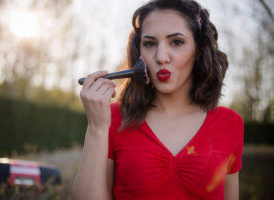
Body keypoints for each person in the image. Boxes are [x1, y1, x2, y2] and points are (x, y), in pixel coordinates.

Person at [73, 0, 244, 199]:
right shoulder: (113, 118)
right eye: (150, 43)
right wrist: (97, 128)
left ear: (198, 50)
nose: (161, 57)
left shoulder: (230, 123)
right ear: (139, 52)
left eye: (177, 42)